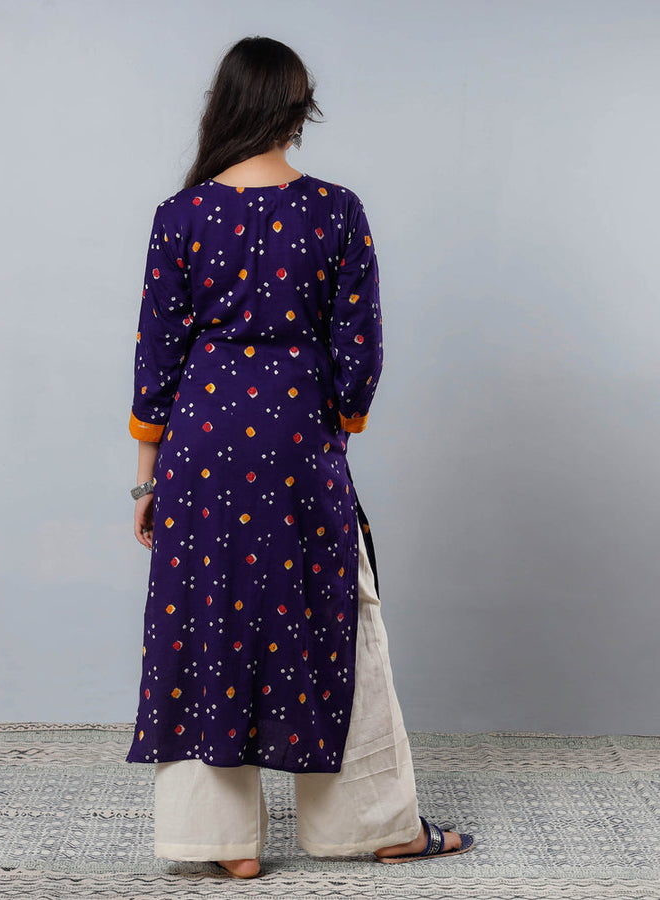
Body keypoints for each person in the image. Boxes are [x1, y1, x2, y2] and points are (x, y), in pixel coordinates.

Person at [125, 36, 474, 878]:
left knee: (204, 618)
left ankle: (219, 844)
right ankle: (376, 824)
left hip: (201, 440)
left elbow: (156, 357)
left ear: (225, 107)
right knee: (335, 614)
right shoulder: (336, 210)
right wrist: (336, 422)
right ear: (296, 110)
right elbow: (361, 347)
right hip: (295, 436)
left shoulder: (181, 215)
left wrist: (145, 482)